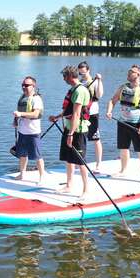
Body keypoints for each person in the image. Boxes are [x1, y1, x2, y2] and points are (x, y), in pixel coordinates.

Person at [105, 64, 140, 185]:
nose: (128, 73)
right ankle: (123, 170)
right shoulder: (123, 87)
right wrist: (109, 111)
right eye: (128, 71)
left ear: (138, 75)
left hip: (137, 125)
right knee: (123, 148)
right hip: (122, 123)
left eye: (131, 72)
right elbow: (112, 100)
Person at [49, 65, 90, 198]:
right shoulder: (72, 89)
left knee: (80, 161)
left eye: (64, 76)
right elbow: (68, 110)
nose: (63, 79)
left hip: (78, 130)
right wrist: (57, 116)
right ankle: (69, 185)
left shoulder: (80, 91)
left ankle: (85, 190)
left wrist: (71, 134)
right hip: (69, 127)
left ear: (70, 76)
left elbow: (77, 114)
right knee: (68, 159)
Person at [13, 76, 46, 183]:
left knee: (37, 155)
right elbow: (18, 111)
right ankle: (22, 174)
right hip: (22, 131)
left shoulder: (37, 99)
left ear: (33, 86)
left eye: (27, 85)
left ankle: (42, 176)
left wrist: (21, 114)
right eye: (23, 85)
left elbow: (35, 114)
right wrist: (15, 120)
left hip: (33, 132)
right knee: (22, 154)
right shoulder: (23, 97)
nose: (24, 87)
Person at [77, 61, 104, 171]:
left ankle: (98, 164)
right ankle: (79, 162)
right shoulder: (79, 82)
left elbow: (99, 95)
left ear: (88, 71)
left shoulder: (95, 81)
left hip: (92, 113)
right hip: (81, 113)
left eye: (84, 72)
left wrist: (100, 80)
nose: (82, 75)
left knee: (96, 139)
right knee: (79, 139)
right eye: (80, 73)